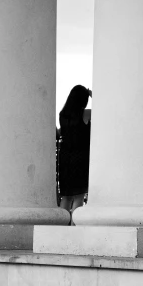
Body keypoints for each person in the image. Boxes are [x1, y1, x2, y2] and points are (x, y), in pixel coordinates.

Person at [58, 85, 92, 215]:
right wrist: (92, 94)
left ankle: (59, 226)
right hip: (81, 157)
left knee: (66, 197)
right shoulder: (86, 113)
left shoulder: (63, 114)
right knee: (79, 196)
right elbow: (105, 109)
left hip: (65, 156)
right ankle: (74, 228)